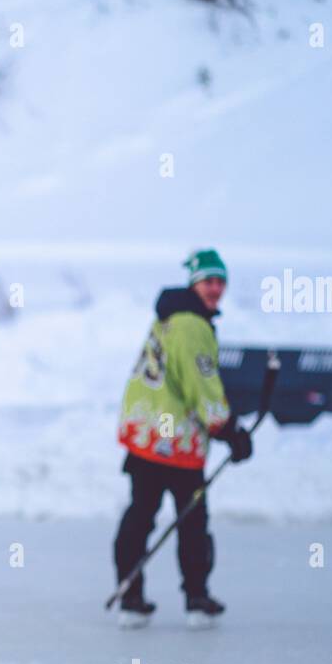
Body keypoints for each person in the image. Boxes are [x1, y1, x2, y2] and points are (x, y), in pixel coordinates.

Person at [114, 248, 252, 629]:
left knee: (141, 513)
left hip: (146, 433)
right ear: (194, 283)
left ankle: (130, 595)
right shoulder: (192, 326)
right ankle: (196, 598)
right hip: (174, 441)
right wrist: (228, 430)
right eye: (209, 281)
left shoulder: (168, 318)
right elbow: (202, 385)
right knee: (191, 519)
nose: (216, 289)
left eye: (221, 281)